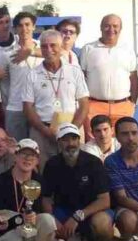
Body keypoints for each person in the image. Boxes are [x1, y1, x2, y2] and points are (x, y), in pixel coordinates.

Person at [41, 124, 114, 241]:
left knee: (102, 223)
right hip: (66, 211)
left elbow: (105, 200)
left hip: (93, 211)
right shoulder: (52, 164)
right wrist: (53, 220)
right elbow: (46, 198)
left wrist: (77, 217)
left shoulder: (94, 163)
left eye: (74, 139)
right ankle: (78, 239)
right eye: (65, 140)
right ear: (58, 142)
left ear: (79, 141)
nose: (71, 144)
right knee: (46, 219)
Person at [22, 30, 89, 169]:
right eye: (44, 46)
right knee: (44, 171)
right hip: (42, 131)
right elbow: (28, 108)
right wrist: (44, 131)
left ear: (61, 47)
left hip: (72, 129)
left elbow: (84, 105)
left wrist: (71, 131)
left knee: (75, 170)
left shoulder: (74, 71)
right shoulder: (32, 74)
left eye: (53, 45)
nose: (49, 50)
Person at [79, 14, 138, 139]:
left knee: (124, 143)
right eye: (107, 26)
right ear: (101, 28)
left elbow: (133, 77)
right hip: (95, 105)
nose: (111, 29)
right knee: (94, 143)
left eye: (115, 26)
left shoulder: (127, 50)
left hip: (123, 106)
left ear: (120, 29)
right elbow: (81, 78)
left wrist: (132, 102)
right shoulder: (89, 49)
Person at [2, 12, 44, 141]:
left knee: (40, 150)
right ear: (15, 29)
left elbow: (57, 54)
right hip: (16, 107)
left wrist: (30, 52)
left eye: (27, 24)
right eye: (20, 26)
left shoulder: (44, 48)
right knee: (15, 150)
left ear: (34, 27)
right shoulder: (8, 53)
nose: (24, 29)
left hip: (40, 107)